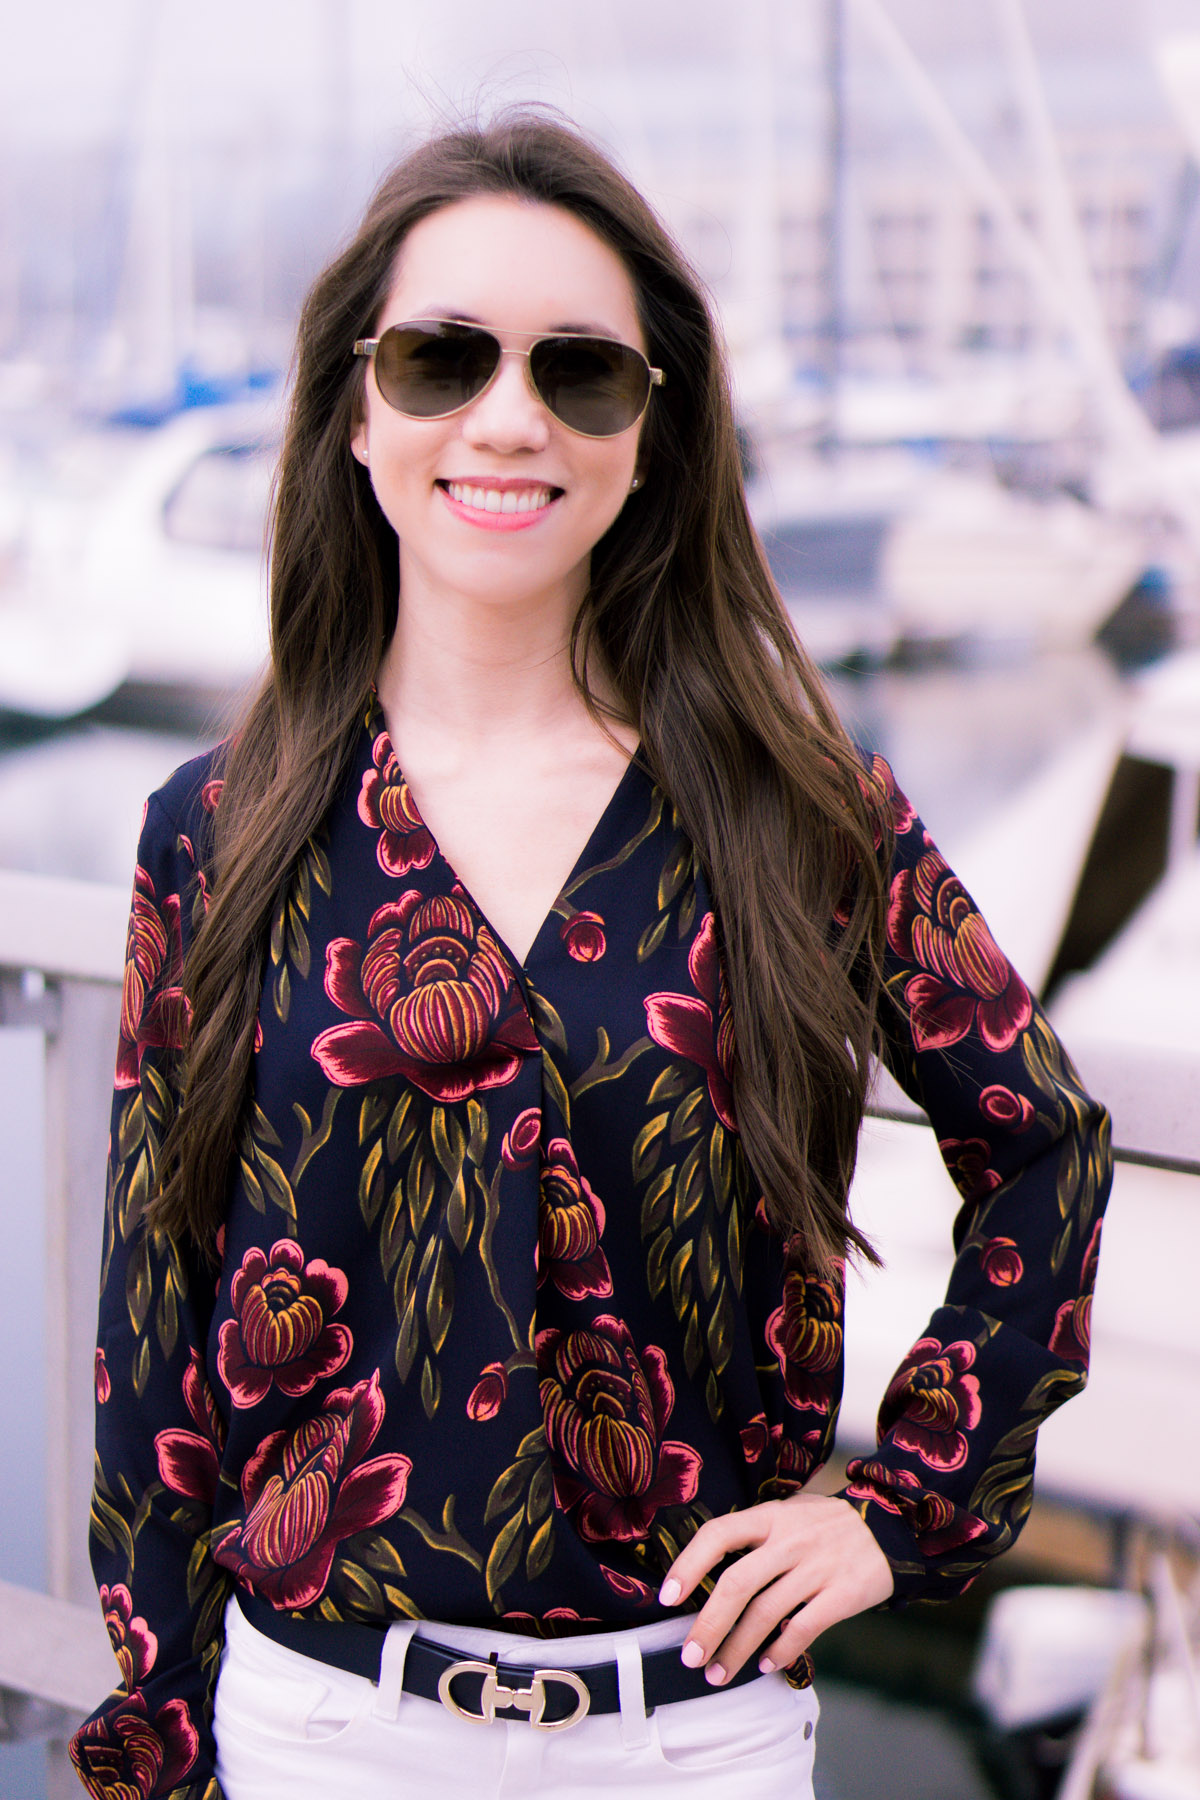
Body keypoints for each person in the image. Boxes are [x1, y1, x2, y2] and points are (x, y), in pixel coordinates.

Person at [70, 112, 1111, 1800]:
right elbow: (152, 1337)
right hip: (323, 1730)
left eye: (582, 374)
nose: (508, 417)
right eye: (439, 358)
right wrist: (165, 1745)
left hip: (693, 1735)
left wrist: (895, 1509)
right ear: (354, 408)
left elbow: (1045, 1148)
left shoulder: (795, 812)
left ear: (652, 433)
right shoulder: (217, 825)